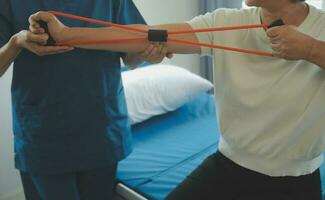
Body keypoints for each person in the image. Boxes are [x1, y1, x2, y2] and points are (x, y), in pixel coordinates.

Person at [29, 0, 325, 199]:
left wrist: (311, 49)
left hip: (295, 179)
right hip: (229, 165)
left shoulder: (321, 28)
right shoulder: (227, 21)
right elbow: (144, 35)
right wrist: (67, 35)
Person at [0, 0, 172, 200]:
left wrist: (148, 53)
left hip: (101, 129)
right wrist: (16, 42)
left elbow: (131, 58)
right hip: (43, 133)